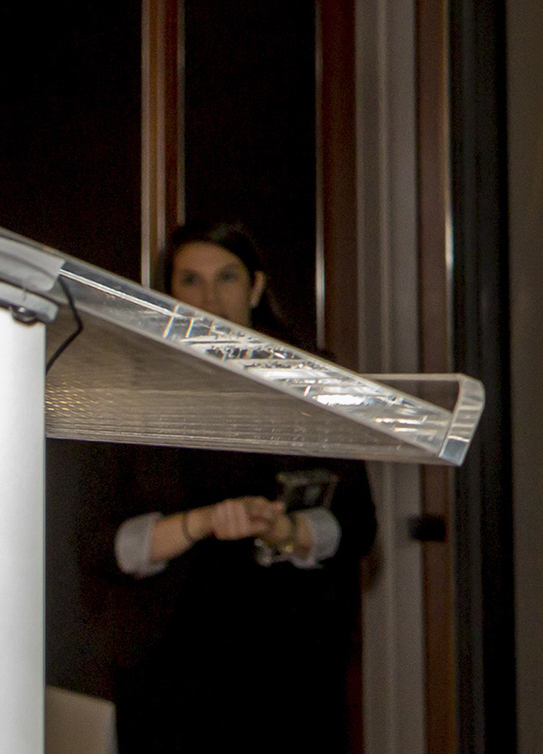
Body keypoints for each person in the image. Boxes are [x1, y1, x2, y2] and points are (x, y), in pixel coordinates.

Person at [105, 219, 377, 753]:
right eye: (190, 281)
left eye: (227, 278)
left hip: (292, 668)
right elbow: (104, 542)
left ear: (255, 287)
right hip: (168, 673)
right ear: (168, 294)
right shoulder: (128, 393)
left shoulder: (310, 380)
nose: (210, 298)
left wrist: (289, 530)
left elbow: (357, 523)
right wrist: (200, 523)